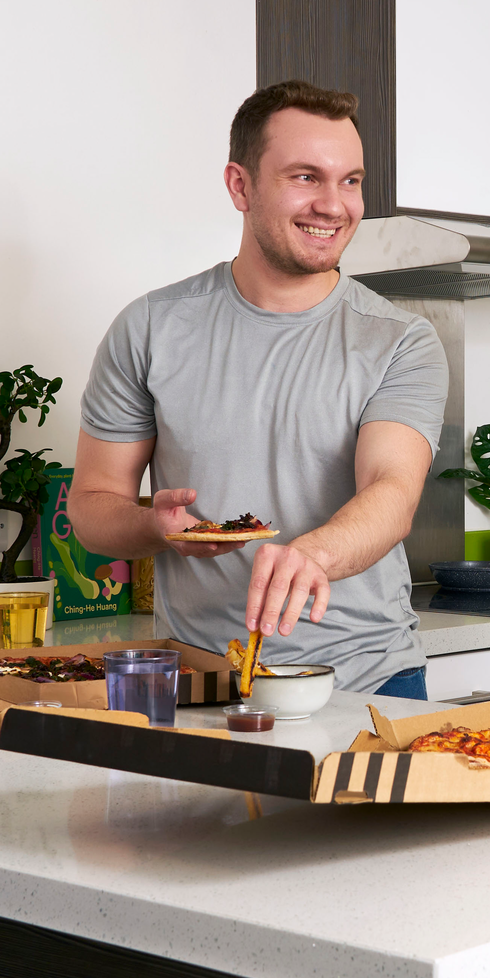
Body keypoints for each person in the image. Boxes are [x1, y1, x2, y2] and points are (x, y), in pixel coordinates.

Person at [68, 80, 446, 696]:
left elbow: (392, 492)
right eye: (305, 177)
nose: (334, 205)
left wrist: (313, 555)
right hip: (200, 682)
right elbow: (91, 506)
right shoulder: (150, 327)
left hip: (368, 678)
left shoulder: (399, 340)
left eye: (350, 180)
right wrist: (154, 527)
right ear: (240, 186)